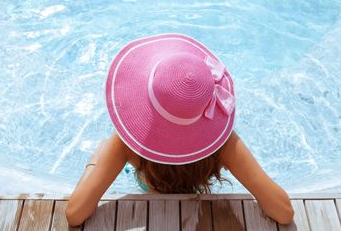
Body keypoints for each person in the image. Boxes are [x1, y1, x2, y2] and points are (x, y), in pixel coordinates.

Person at [66, 34, 294, 226]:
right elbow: (283, 212)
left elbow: (75, 213)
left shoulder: (126, 144)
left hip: (152, 199)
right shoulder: (223, 144)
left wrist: (96, 159)